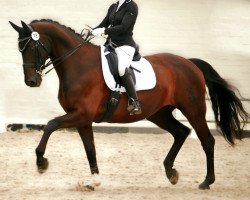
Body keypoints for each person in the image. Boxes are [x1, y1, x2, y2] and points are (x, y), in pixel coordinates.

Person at [92, 0, 141, 115]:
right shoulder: (113, 6)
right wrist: (92, 31)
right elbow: (103, 24)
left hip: (125, 45)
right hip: (110, 44)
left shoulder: (132, 6)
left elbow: (123, 27)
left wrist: (104, 31)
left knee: (122, 68)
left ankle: (134, 102)